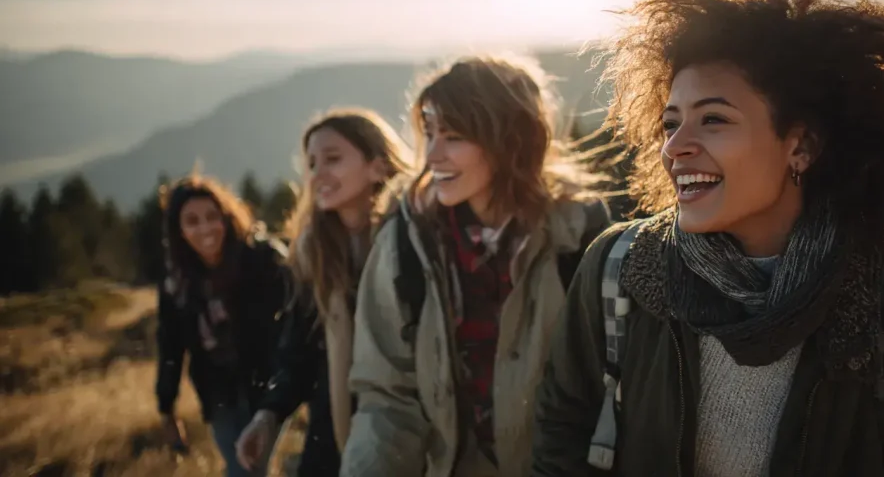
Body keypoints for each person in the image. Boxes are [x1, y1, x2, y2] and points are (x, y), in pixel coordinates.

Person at [531, 0, 884, 477]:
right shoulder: (617, 272)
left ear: (800, 146)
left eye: (714, 119)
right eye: (670, 122)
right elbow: (561, 435)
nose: (676, 147)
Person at [340, 55, 612, 477]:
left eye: (454, 137)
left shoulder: (581, 239)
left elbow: (606, 391)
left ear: (508, 140)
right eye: (429, 135)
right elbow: (387, 399)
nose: (432, 155)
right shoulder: (406, 244)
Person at [234, 108, 412, 476]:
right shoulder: (313, 254)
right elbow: (297, 350)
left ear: (378, 167)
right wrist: (269, 414)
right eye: (312, 164)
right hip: (334, 432)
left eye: (333, 159)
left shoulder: (415, 244)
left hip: (411, 432)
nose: (318, 174)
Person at [156, 174, 290, 477]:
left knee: (248, 469)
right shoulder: (176, 284)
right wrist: (167, 408)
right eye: (191, 221)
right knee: (239, 466)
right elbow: (170, 346)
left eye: (211, 217)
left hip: (266, 386)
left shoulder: (260, 261)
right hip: (218, 394)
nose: (204, 228)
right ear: (178, 231)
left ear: (226, 217)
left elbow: (297, 318)